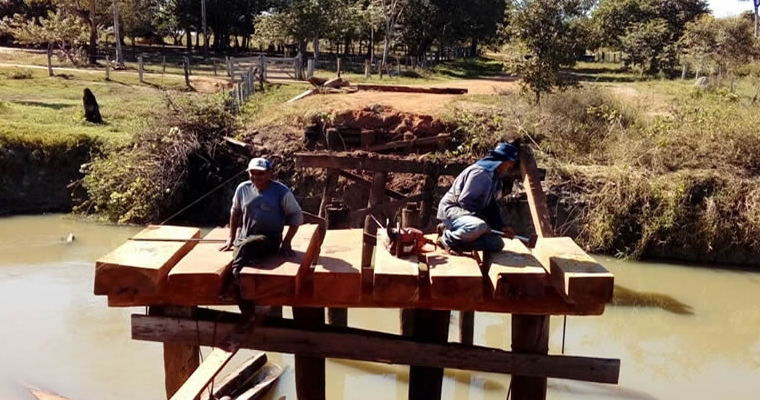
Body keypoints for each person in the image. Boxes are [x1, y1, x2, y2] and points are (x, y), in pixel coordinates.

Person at [219, 157, 304, 278]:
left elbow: (296, 215)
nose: (256, 177)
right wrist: (231, 238)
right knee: (245, 244)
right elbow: (235, 212)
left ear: (270, 173)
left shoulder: (281, 192)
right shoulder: (243, 189)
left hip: (270, 240)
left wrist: (286, 242)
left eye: (260, 173)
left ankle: (235, 276)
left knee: (247, 245)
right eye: (252, 173)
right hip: (244, 238)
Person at [436, 142, 519, 254]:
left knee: (497, 244)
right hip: (453, 210)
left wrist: (500, 227)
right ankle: (447, 238)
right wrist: (485, 224)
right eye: (509, 163)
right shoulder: (481, 173)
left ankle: (457, 238)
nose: (510, 167)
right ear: (502, 161)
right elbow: (465, 201)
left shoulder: (494, 177)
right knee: (479, 226)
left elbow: (490, 205)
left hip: (467, 215)